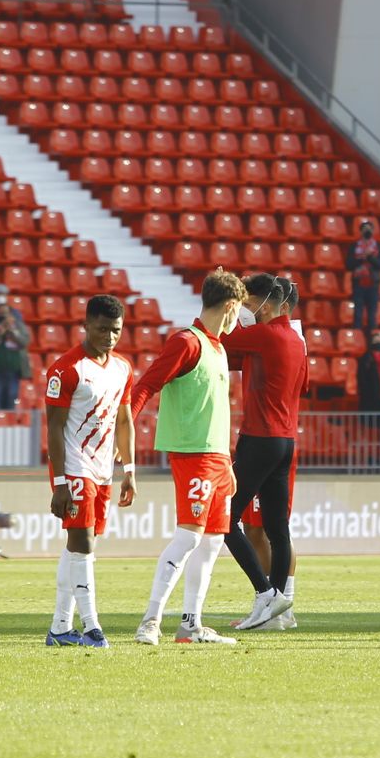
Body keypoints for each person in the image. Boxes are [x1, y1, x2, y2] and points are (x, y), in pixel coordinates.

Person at [129, 269, 248, 647]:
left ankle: (191, 624)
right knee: (188, 537)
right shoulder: (187, 342)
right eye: (238, 312)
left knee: (212, 542)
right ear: (230, 306)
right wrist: (122, 431)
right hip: (193, 454)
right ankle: (150, 620)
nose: (237, 320)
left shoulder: (217, 346)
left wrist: (227, 461)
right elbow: (146, 384)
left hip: (217, 458)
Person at [43, 295, 135, 647]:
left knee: (76, 546)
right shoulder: (66, 369)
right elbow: (54, 426)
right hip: (74, 467)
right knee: (85, 542)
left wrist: (129, 468)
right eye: (102, 329)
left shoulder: (122, 369)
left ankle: (60, 627)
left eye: (116, 331)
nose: (109, 337)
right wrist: (61, 481)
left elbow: (124, 420)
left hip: (102, 469)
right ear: (86, 325)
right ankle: (93, 627)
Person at [221, 274, 308, 631]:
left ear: (267, 305)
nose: (246, 312)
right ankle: (277, 608)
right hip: (285, 441)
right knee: (278, 529)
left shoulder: (264, 334)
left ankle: (265, 594)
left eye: (249, 304)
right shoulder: (295, 341)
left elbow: (221, 342)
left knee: (225, 518)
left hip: (259, 437)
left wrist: (227, 310)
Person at [346, 220, 380, 333]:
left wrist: (370, 257)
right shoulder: (355, 246)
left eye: (369, 228)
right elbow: (349, 265)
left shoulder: (377, 246)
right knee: (358, 313)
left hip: (373, 284)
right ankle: (357, 338)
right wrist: (362, 257)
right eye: (365, 228)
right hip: (358, 284)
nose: (367, 230)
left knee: (372, 314)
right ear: (361, 231)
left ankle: (372, 340)